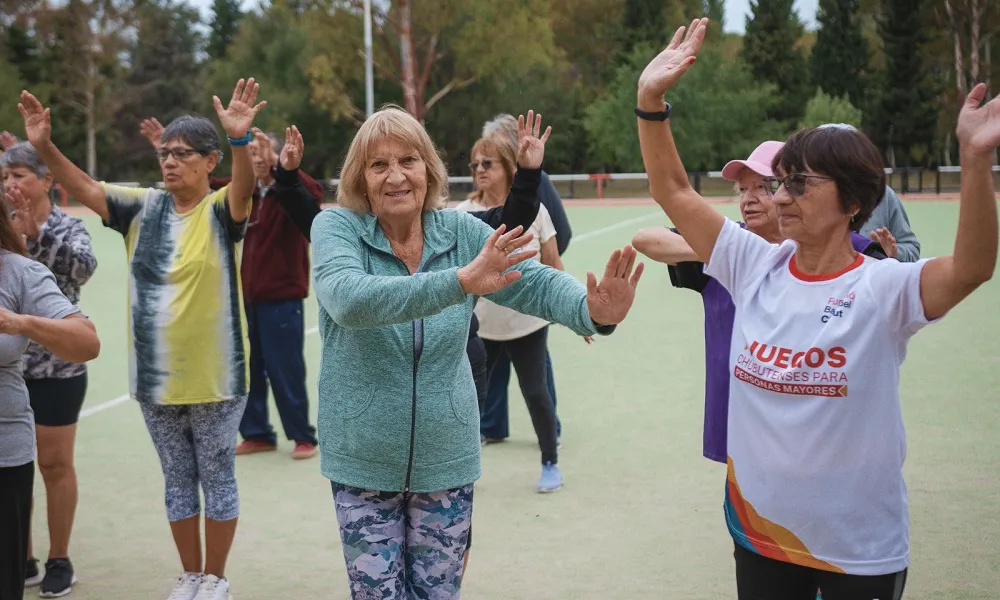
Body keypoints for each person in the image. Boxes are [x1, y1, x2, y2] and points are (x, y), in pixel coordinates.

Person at [635, 18, 997, 599]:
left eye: (798, 183)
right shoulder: (752, 266)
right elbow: (673, 192)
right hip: (759, 534)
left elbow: (972, 268)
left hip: (858, 549)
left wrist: (976, 162)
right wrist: (651, 102)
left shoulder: (885, 288)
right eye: (781, 183)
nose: (779, 196)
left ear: (853, 200)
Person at [310, 104, 643, 598]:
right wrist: (461, 281)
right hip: (363, 457)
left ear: (429, 169)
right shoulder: (337, 230)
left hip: (447, 456)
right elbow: (348, 300)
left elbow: (531, 284)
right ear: (360, 177)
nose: (396, 176)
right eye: (379, 165)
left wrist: (592, 311)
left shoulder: (461, 233)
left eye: (409, 160)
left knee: (439, 593)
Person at [18, 77, 266, 600]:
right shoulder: (140, 208)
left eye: (182, 154)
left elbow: (244, 189)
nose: (170, 162)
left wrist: (241, 140)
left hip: (217, 376)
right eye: (164, 153)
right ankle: (191, 576)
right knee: (177, 482)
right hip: (155, 381)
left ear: (207, 162)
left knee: (217, 478)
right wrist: (42, 146)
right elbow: (84, 187)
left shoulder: (221, 211)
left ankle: (216, 580)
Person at [632, 140, 893, 464]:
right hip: (740, 415)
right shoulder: (728, 242)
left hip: (820, 421)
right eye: (742, 189)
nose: (749, 199)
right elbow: (647, 239)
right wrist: (728, 254)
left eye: (762, 187)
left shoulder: (851, 251)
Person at [141, 121, 324, 460]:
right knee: (245, 368)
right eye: (250, 153)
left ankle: (302, 435)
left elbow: (312, 195)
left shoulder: (287, 191)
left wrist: (282, 168)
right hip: (240, 298)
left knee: (286, 369)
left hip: (281, 298)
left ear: (273, 154)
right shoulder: (238, 195)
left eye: (260, 152)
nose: (254, 158)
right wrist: (165, 150)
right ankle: (257, 433)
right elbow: (199, 182)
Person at [0, 142, 98, 597]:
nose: (11, 183)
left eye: (19, 174)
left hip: (57, 366)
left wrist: (36, 234)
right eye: (5, 176)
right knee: (16, 466)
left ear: (45, 180)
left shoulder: (66, 225)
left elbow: (82, 270)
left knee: (54, 463)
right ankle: (21, 558)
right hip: (14, 369)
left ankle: (60, 557)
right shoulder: (7, 224)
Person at [456, 130, 567, 492]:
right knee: (469, 396)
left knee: (536, 392)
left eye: (487, 163)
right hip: (481, 326)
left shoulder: (536, 210)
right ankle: (460, 468)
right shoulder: (464, 214)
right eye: (474, 164)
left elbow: (553, 264)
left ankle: (550, 461)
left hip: (526, 323)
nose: (479, 170)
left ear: (507, 166)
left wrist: (577, 311)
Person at [479, 113, 571, 444]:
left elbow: (553, 232)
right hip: (492, 303)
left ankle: (550, 434)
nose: (481, 169)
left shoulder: (533, 178)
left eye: (489, 160)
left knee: (534, 371)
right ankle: (492, 426)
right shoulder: (469, 209)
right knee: (492, 361)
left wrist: (550, 290)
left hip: (528, 284)